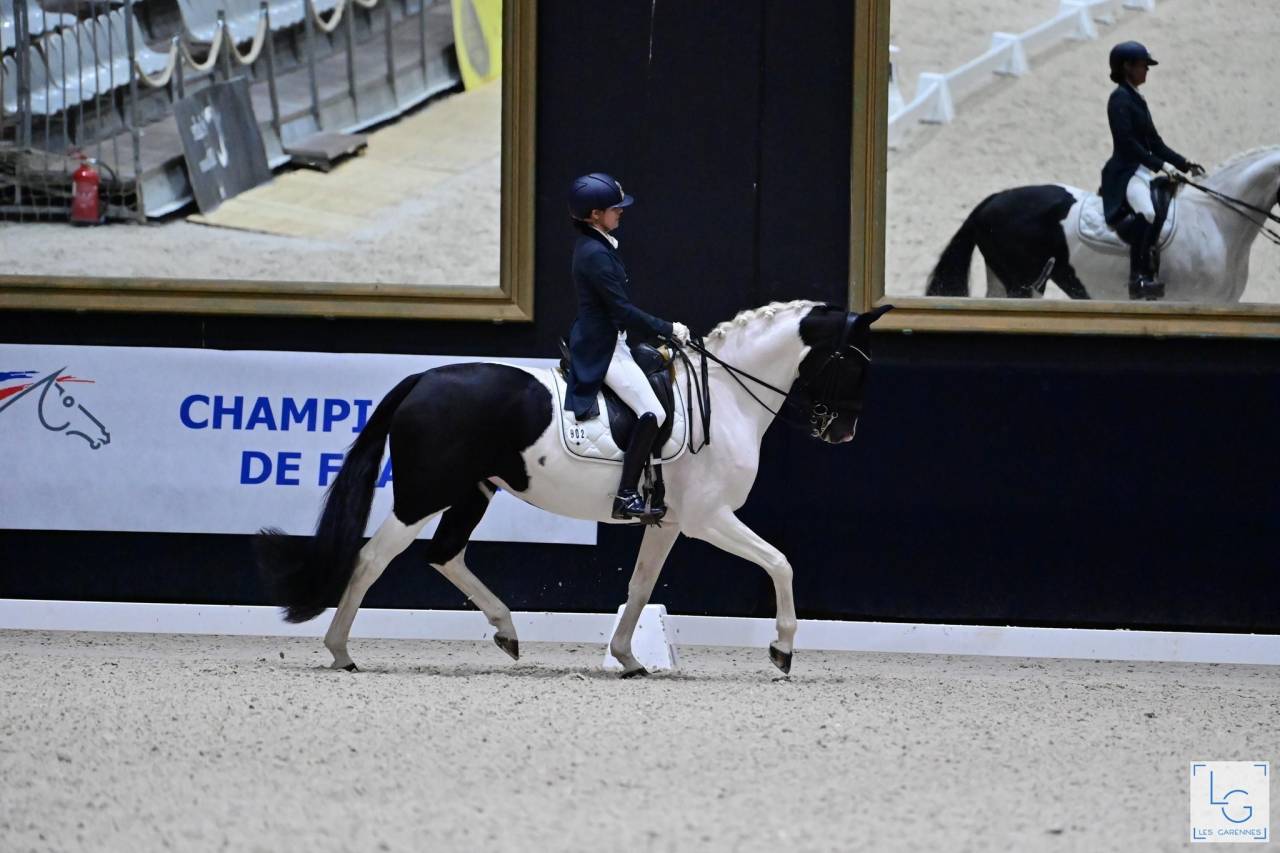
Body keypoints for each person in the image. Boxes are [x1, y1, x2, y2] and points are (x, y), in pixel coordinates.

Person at [564, 172, 690, 523]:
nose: (620, 212)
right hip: (602, 346)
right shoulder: (595, 254)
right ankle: (626, 495)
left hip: (611, 339)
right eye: (615, 208)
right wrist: (668, 329)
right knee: (653, 412)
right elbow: (621, 311)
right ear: (595, 215)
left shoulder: (598, 245)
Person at [1100, 41, 1205, 301]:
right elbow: (1128, 143)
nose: (1146, 70)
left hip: (1141, 171)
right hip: (1125, 172)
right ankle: (1137, 278)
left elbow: (1154, 142)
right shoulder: (1119, 99)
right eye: (1142, 65)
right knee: (1147, 213)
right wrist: (1162, 166)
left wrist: (1183, 163)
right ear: (1127, 67)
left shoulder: (1137, 98)